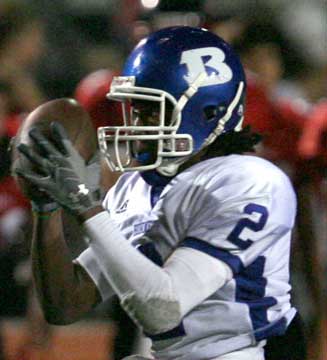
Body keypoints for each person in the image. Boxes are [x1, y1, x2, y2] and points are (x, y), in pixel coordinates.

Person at [15, 26, 306, 360]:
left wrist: (86, 205)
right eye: (135, 110)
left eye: (152, 111)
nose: (138, 125)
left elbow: (162, 310)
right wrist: (47, 208)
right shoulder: (137, 186)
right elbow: (66, 303)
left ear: (207, 112)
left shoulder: (249, 181)